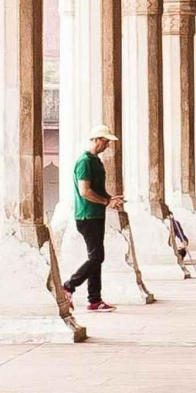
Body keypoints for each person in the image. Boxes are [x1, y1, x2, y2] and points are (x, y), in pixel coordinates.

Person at [61, 124, 123, 311]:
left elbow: (97, 190)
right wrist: (106, 202)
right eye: (105, 141)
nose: (107, 146)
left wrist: (111, 199)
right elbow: (85, 191)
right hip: (87, 215)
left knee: (96, 257)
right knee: (96, 257)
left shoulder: (96, 161)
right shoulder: (84, 162)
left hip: (96, 214)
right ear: (96, 140)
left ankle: (95, 300)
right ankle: (68, 286)